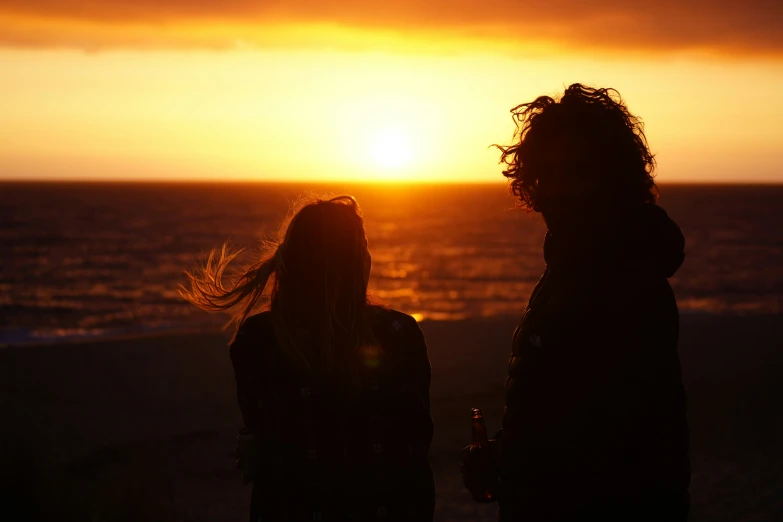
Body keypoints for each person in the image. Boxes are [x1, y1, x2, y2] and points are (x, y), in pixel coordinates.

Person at [463, 84, 690, 521]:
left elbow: (618, 447)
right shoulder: (573, 264)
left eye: (577, 172)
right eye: (548, 173)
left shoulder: (624, 277)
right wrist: (503, 456)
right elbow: (562, 409)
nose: (560, 189)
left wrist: (513, 465)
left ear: (614, 178)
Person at [182, 195, 434, 521]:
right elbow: (416, 441)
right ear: (357, 260)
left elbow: (261, 437)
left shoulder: (258, 340)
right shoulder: (399, 333)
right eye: (364, 246)